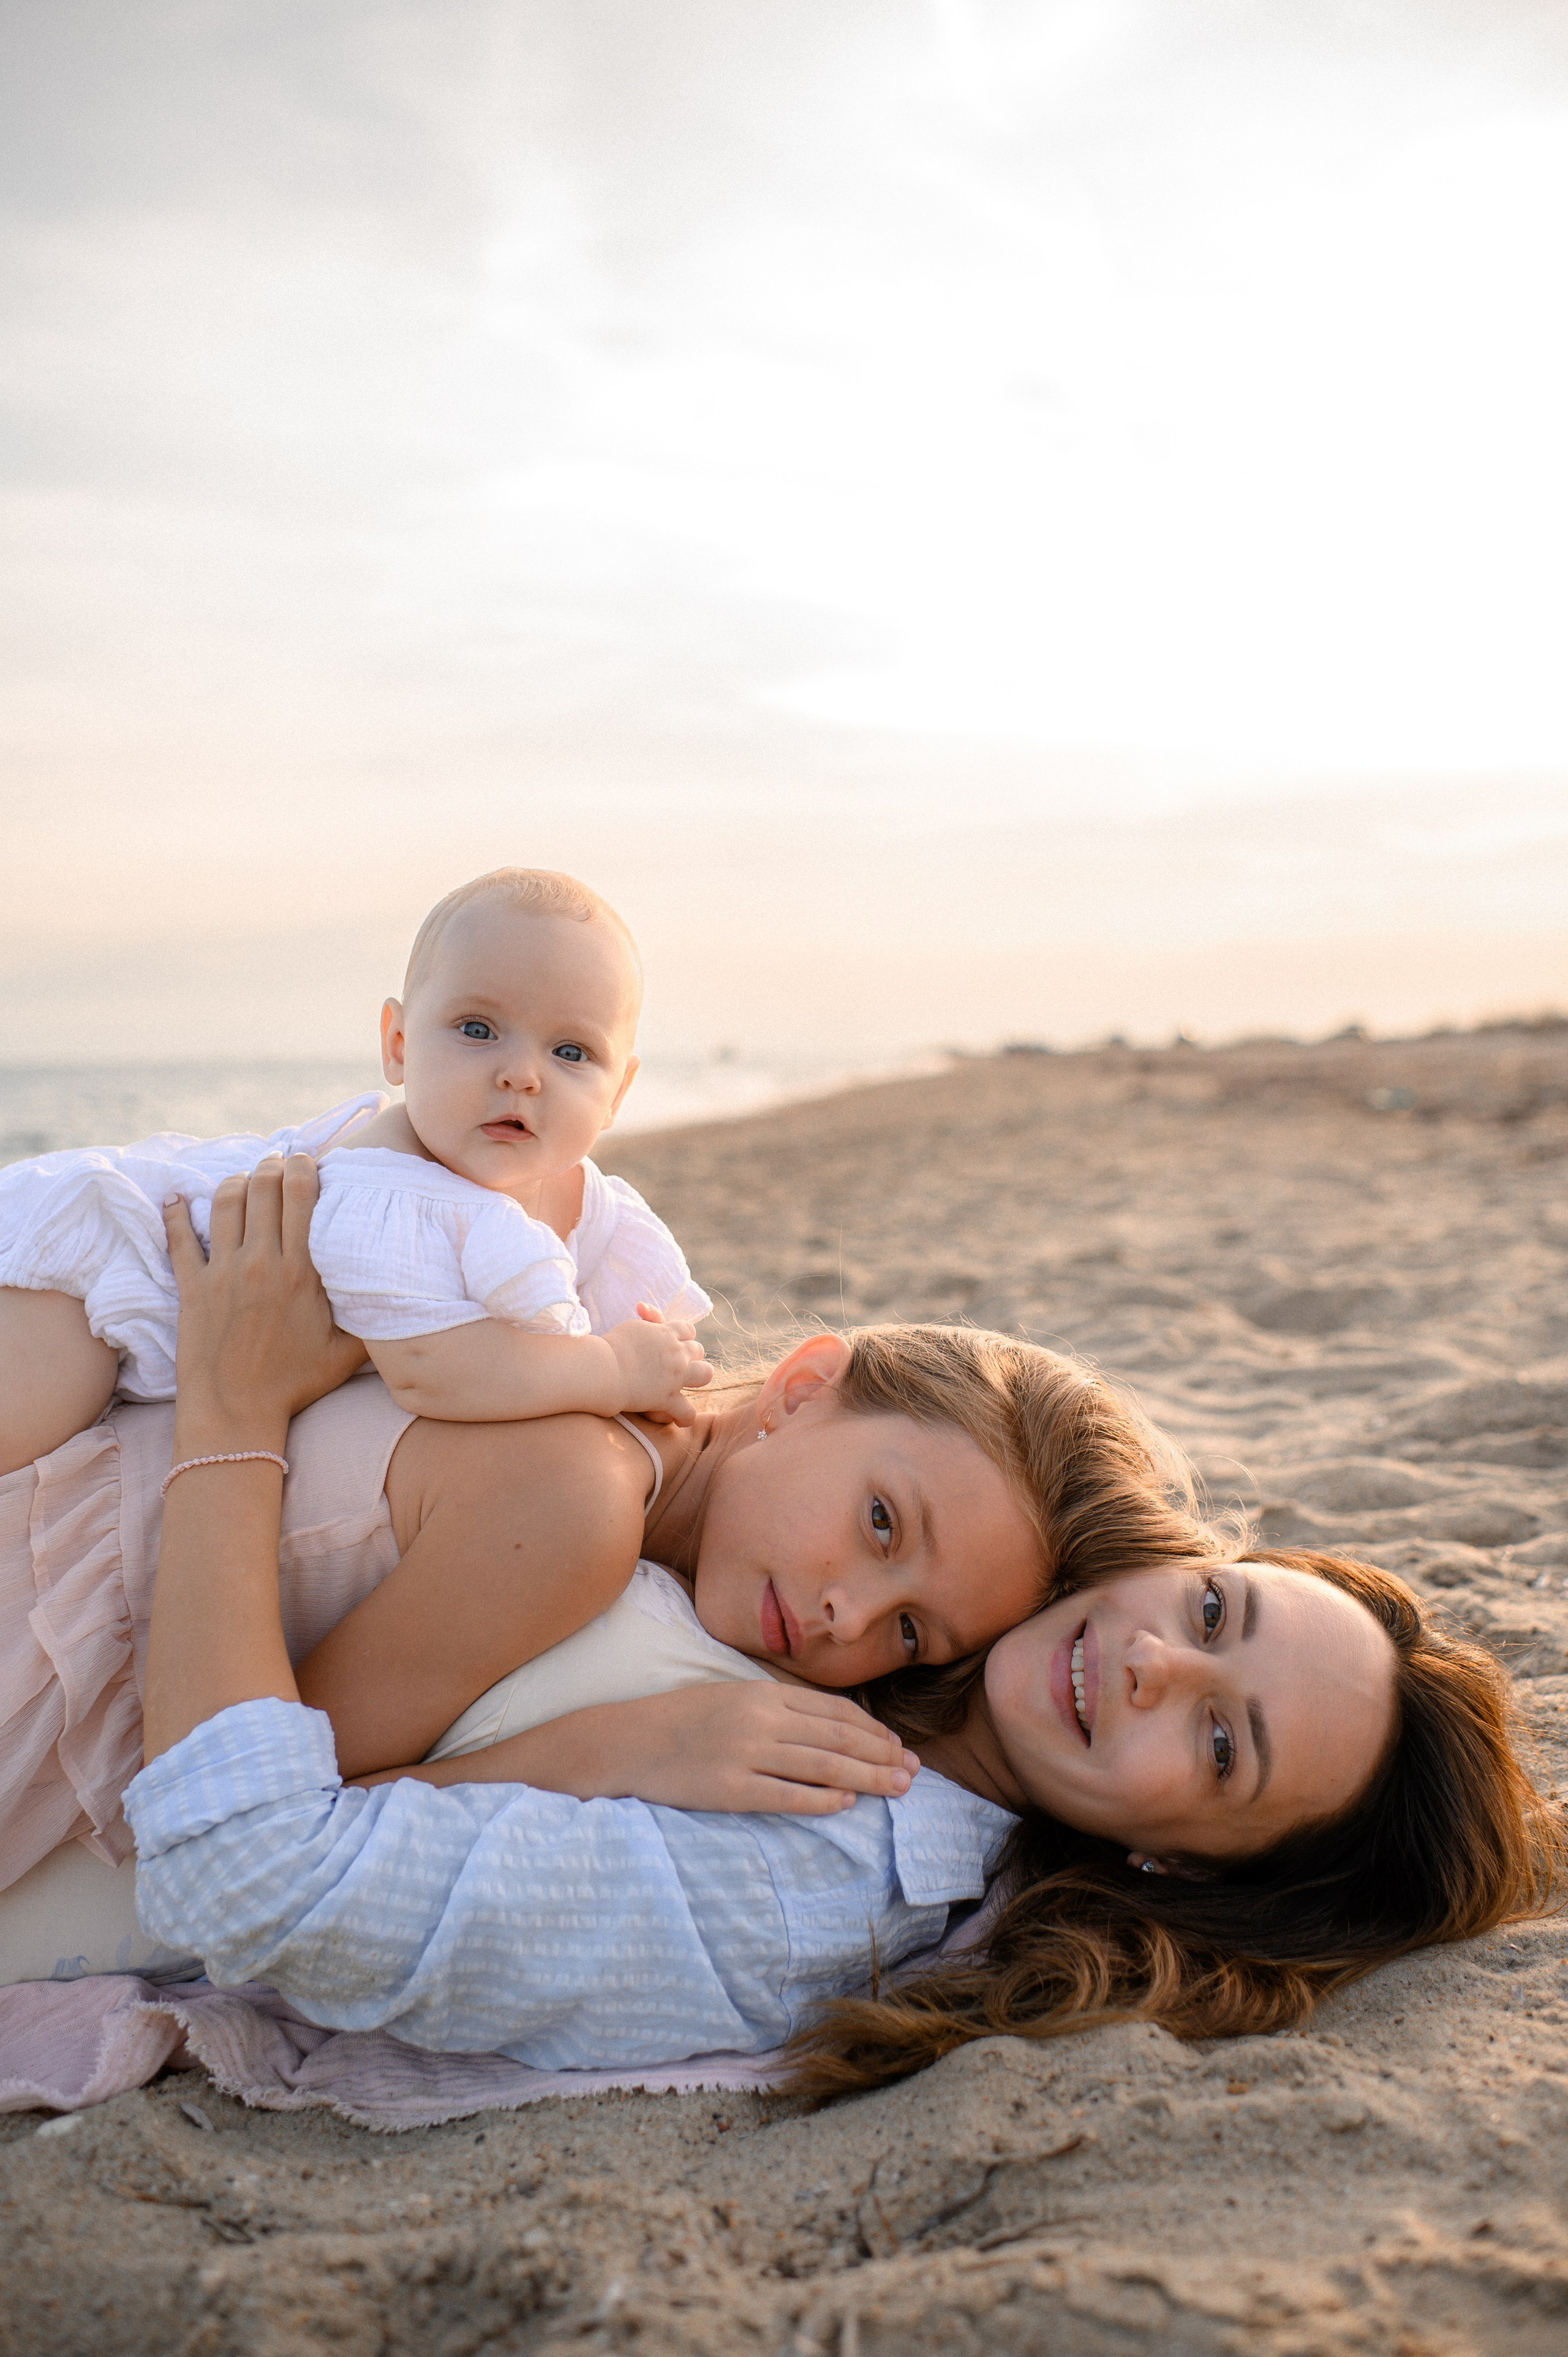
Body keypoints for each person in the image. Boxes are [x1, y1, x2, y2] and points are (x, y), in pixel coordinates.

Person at [112, 1160, 1563, 2080]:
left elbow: (249, 1875)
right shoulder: (873, 1638)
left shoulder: (809, 1876)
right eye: (1208, 1607)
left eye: (1219, 1738)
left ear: (1167, 1854)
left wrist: (231, 1411)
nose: (1149, 1658)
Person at [0, 867, 714, 1480]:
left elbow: (663, 1341)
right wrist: (613, 1369)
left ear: (618, 1092)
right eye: (476, 1029)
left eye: (570, 1050)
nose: (520, 1074)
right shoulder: (390, 1186)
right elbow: (434, 1369)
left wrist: (661, 1365)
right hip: (98, 1276)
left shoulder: (600, 1213)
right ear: (398, 1045)